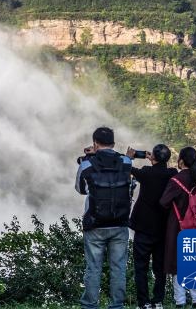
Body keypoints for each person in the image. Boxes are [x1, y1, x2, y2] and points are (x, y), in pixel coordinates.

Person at [75, 127, 134, 309]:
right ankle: (116, 305)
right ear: (114, 144)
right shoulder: (125, 161)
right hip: (119, 223)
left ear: (94, 143)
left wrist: (88, 158)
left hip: (95, 224)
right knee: (118, 268)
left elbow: (81, 189)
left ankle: (90, 305)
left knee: (93, 267)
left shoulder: (86, 164)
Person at [159, 147, 196, 308]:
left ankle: (180, 301)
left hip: (178, 227)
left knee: (176, 264)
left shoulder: (176, 180)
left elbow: (163, 202)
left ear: (181, 160)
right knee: (194, 261)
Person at [126, 144, 175, 309]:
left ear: (153, 157)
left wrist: (130, 156)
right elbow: (162, 169)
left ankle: (144, 302)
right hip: (163, 228)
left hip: (143, 227)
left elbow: (127, 167)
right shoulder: (172, 174)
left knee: (141, 266)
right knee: (160, 267)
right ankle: (158, 301)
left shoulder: (146, 172)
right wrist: (154, 158)